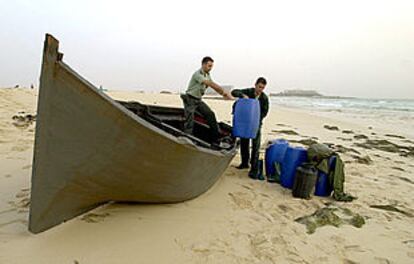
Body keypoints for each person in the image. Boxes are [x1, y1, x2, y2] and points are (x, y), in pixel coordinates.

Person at [181, 56, 233, 145]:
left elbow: (213, 85)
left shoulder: (207, 75)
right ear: (203, 64)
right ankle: (187, 139)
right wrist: (224, 92)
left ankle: (215, 138)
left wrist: (223, 94)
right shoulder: (197, 74)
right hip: (190, 99)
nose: (210, 68)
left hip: (198, 100)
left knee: (210, 114)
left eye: (211, 66)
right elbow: (209, 84)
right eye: (209, 66)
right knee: (189, 120)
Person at [231, 77, 269, 179]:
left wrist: (256, 119)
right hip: (245, 122)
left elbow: (265, 112)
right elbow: (234, 92)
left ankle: (254, 168)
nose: (260, 89)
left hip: (256, 124)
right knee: (244, 142)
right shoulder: (249, 91)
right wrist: (242, 95)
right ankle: (244, 163)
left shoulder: (264, 98)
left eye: (263, 88)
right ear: (255, 85)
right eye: (259, 87)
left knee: (256, 146)